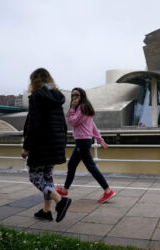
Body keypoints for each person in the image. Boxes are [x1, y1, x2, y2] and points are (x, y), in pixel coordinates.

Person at [22, 68, 72, 222]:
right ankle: (46, 212)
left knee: (35, 176)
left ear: (34, 81)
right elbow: (63, 124)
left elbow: (34, 124)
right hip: (55, 143)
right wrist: (60, 144)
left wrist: (27, 146)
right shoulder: (57, 97)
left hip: (41, 144)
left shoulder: (37, 97)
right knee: (47, 177)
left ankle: (60, 200)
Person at [56, 87, 115, 203]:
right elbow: (92, 126)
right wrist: (100, 140)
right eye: (72, 95)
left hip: (82, 141)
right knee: (72, 165)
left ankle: (108, 191)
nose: (74, 97)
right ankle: (64, 189)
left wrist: (72, 108)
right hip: (82, 141)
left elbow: (72, 122)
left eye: (76, 95)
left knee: (91, 167)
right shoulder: (84, 108)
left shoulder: (81, 108)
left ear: (82, 96)